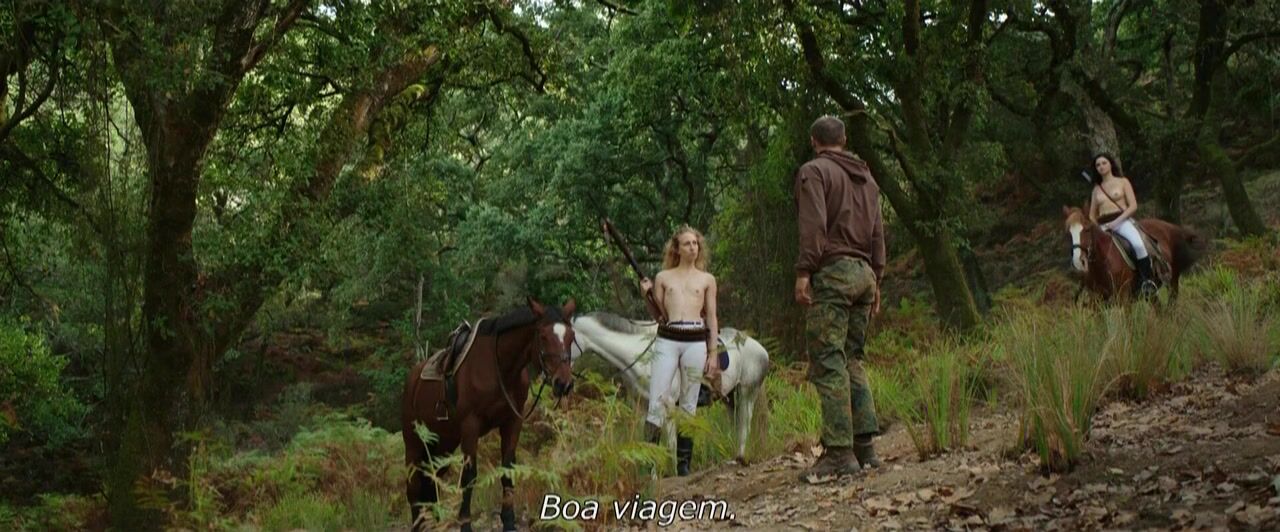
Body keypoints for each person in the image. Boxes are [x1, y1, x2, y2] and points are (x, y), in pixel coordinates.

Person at [794, 115, 886, 481]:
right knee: (852, 359)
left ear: (814, 141)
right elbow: (878, 232)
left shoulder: (814, 171)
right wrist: (877, 277)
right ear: (844, 140)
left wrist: (804, 271)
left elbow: (814, 225)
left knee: (829, 360)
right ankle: (866, 450)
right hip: (864, 274)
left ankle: (838, 453)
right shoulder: (868, 178)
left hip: (833, 272)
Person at [638, 225, 719, 477]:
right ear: (677, 248)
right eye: (687, 244)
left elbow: (712, 317)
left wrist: (713, 352)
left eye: (695, 243)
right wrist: (646, 296)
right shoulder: (663, 277)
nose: (692, 248)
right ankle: (648, 466)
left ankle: (684, 466)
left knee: (689, 403)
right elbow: (659, 315)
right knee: (657, 400)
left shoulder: (707, 279)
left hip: (695, 339)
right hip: (668, 338)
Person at [1085, 153, 1157, 298]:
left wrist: (1117, 222)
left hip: (1122, 221)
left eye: (1104, 163)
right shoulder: (1096, 190)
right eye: (1098, 165)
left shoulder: (1123, 182)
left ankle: (1147, 281)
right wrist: (1097, 227)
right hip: (1103, 225)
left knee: (1138, 245)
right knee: (1089, 251)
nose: (1101, 167)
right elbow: (1092, 215)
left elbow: (1133, 206)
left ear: (1110, 164)